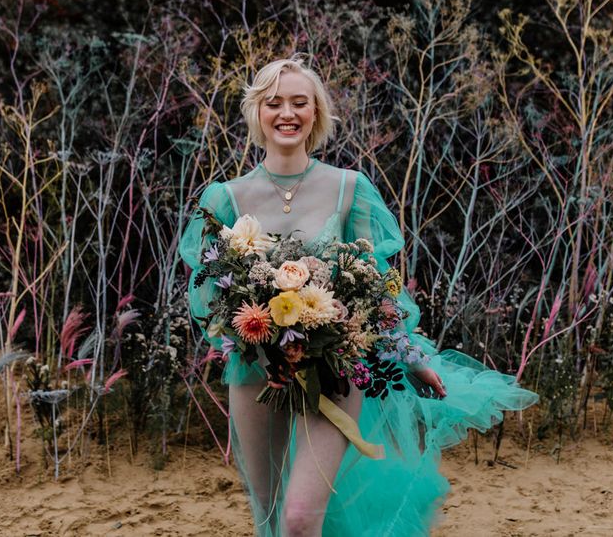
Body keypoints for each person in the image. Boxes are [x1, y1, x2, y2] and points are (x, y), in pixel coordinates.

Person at [180, 56, 538, 536]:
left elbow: (379, 291)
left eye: (299, 102)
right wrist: (255, 335)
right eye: (274, 103)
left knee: (300, 518)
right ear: (257, 114)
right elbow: (208, 297)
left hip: (337, 373)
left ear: (316, 113)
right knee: (268, 514)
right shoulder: (224, 198)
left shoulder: (351, 189)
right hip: (257, 372)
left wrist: (409, 357)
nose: (287, 113)